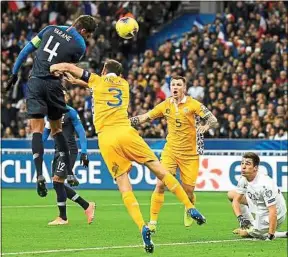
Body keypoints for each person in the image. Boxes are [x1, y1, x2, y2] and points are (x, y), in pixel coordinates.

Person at [50, 59, 206, 254]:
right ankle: (188, 206)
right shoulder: (124, 85)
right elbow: (94, 84)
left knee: (124, 185)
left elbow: (73, 69)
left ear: (104, 69)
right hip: (126, 132)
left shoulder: (96, 81)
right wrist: (77, 81)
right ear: (120, 75)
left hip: (106, 138)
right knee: (159, 169)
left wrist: (54, 67)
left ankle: (142, 226)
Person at [6, 15, 97, 197]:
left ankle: (39, 174)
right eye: (88, 35)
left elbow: (25, 51)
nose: (86, 38)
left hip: (35, 83)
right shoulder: (80, 46)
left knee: (37, 131)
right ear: (84, 31)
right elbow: (65, 68)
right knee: (57, 130)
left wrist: (14, 74)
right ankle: (68, 170)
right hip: (54, 86)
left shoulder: (49, 29)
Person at [130, 75, 218, 231]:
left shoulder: (194, 104)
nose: (175, 87)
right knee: (160, 184)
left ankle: (189, 207)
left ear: (184, 88)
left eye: (178, 85)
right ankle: (152, 223)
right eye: (173, 85)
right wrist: (126, 122)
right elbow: (145, 117)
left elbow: (213, 119)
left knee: (188, 191)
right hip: (170, 151)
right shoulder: (165, 105)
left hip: (190, 154)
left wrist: (206, 127)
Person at [43, 89, 95, 225]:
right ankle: (86, 206)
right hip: (57, 151)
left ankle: (63, 217)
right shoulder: (51, 114)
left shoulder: (71, 112)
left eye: (64, 95)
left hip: (69, 151)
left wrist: (84, 151)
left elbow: (81, 132)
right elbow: (45, 134)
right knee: (57, 183)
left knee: (57, 181)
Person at [227, 152, 287, 240]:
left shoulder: (265, 184)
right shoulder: (243, 178)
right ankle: (249, 224)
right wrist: (240, 218)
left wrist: (270, 235)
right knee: (231, 194)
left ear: (255, 168)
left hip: (277, 214)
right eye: (242, 163)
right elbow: (236, 200)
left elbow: (273, 211)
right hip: (260, 205)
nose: (243, 167)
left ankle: (282, 234)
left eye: (247, 164)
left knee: (245, 234)